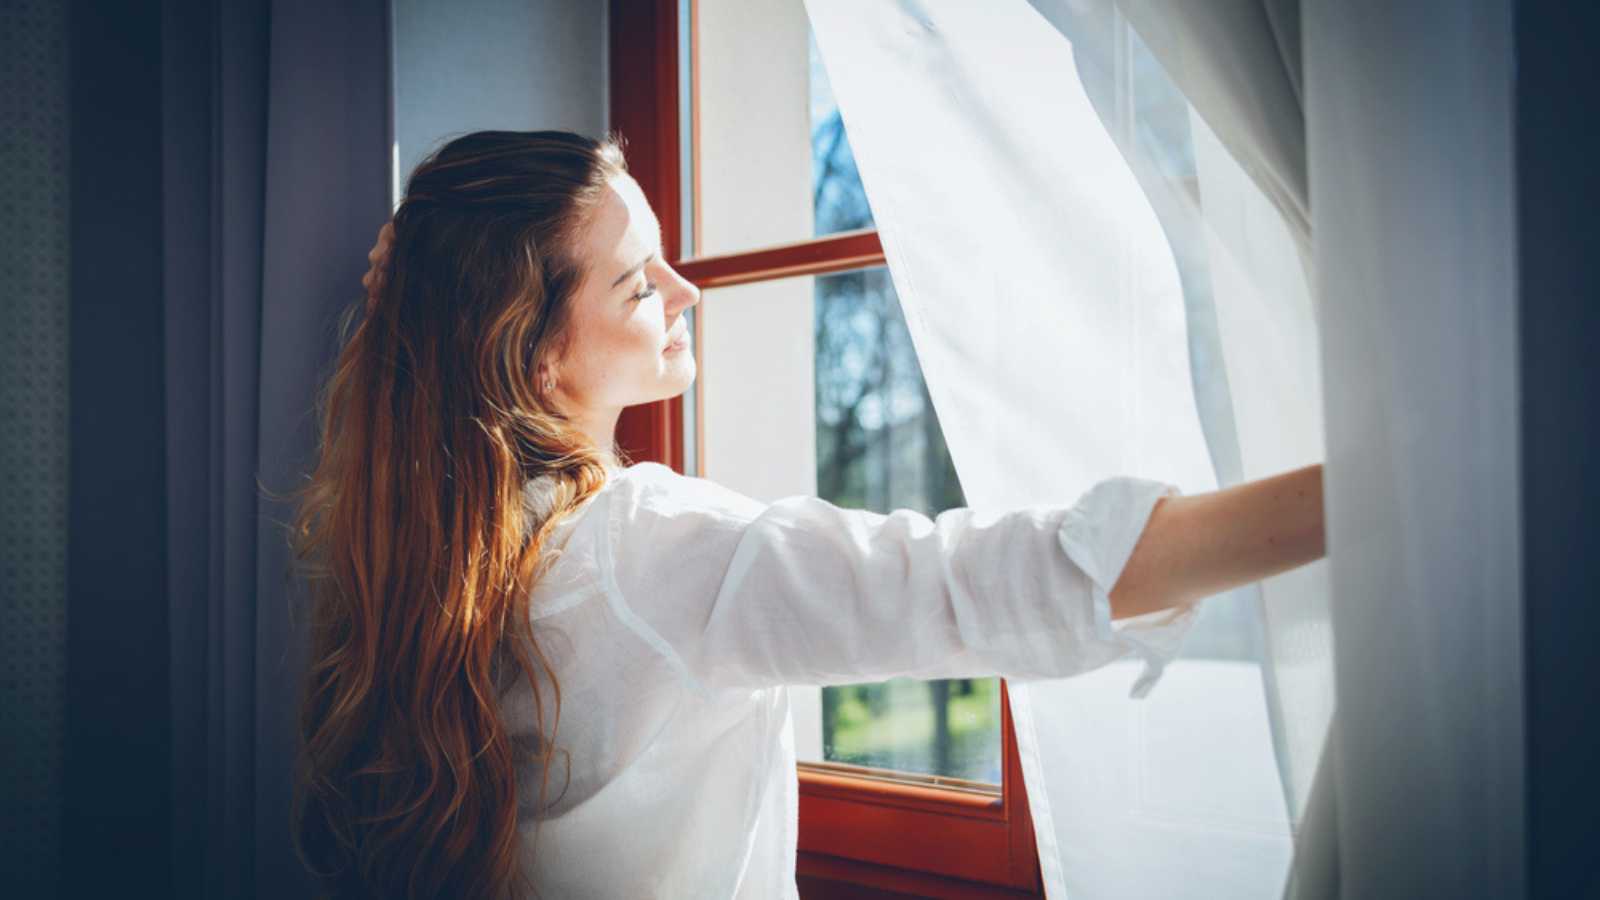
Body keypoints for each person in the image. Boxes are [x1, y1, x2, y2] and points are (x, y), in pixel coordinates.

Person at [290, 129, 1325, 899]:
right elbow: (972, 583)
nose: (683, 289)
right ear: (535, 351)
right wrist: (1354, 502)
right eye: (635, 283)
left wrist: (417, 288)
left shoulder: (413, 542)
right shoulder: (647, 554)